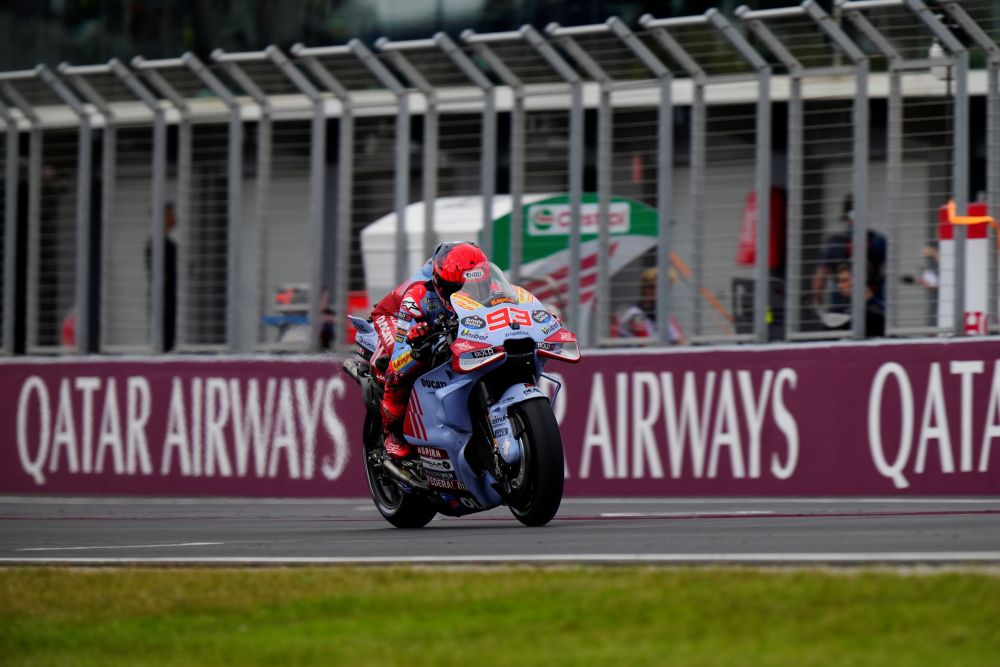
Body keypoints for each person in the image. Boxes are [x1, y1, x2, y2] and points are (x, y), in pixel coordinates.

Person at [370, 241, 490, 460]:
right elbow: (401, 352)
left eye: (475, 287)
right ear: (441, 283)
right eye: (460, 289)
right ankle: (392, 434)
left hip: (441, 321)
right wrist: (416, 342)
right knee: (401, 366)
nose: (470, 293)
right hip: (395, 317)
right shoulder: (418, 296)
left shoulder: (489, 286)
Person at [811, 194, 887, 328]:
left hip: (839, 309)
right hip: (871, 307)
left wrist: (820, 309)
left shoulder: (833, 243)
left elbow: (818, 282)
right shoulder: (878, 241)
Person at [613, 267, 684, 343]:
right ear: (645, 289)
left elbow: (679, 341)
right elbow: (645, 345)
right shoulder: (635, 315)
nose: (660, 292)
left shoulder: (664, 316)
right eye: (652, 287)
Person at [145, 202, 178, 351]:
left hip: (170, 301)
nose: (174, 217)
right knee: (162, 341)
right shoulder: (155, 244)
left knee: (170, 341)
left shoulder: (169, 244)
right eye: (171, 214)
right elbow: (159, 276)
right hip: (163, 302)